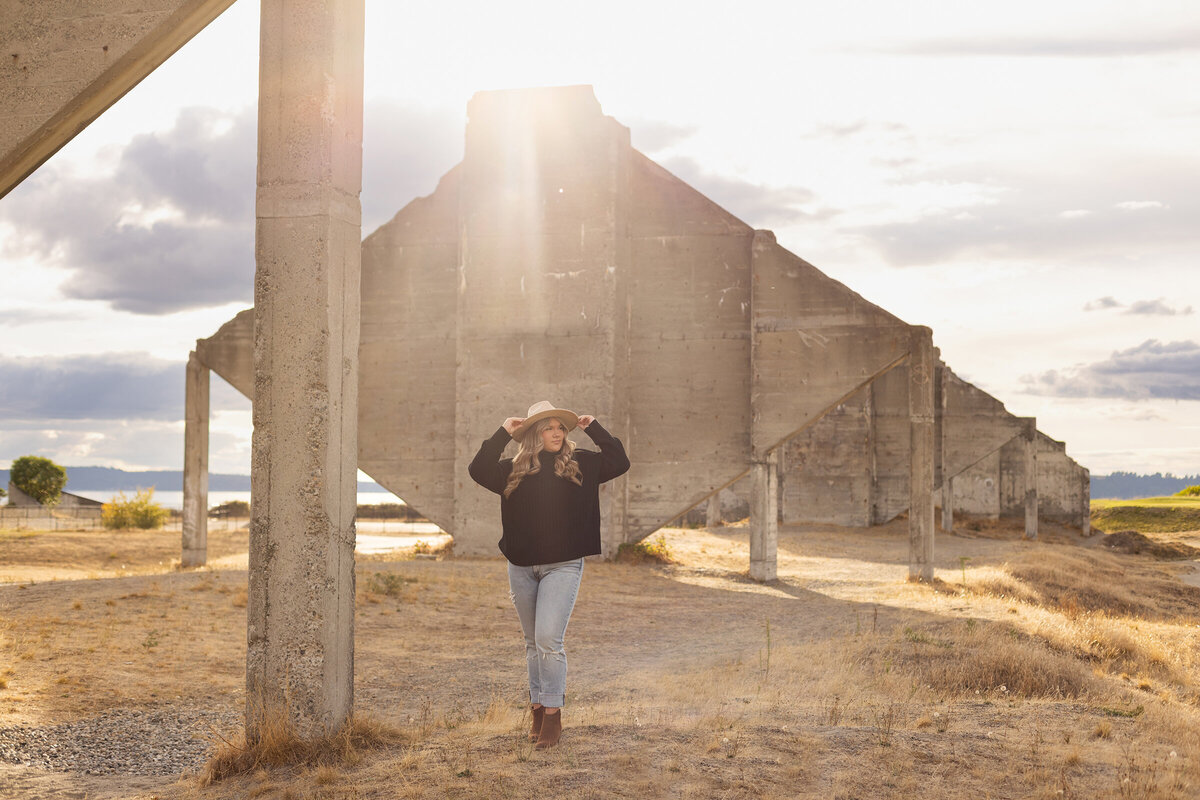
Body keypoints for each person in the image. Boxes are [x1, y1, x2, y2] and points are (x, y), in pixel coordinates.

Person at [468, 400, 630, 749]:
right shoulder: (512, 468)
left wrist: (595, 427)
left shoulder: (580, 463)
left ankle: (553, 717)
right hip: (521, 565)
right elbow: (477, 468)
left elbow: (620, 460)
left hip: (563, 565)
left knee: (547, 641)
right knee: (532, 644)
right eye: (548, 427)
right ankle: (538, 711)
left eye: (561, 427)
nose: (557, 433)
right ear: (532, 434)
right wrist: (503, 432)